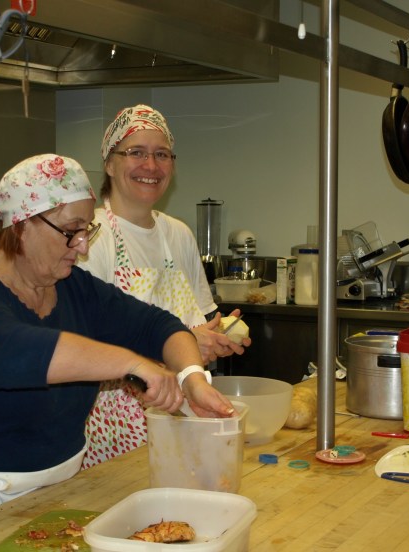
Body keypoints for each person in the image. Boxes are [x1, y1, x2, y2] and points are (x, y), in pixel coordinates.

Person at [0, 153, 235, 537]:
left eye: (87, 230)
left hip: (57, 491)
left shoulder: (73, 287)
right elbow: (17, 355)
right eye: (71, 231)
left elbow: (157, 326)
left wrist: (192, 378)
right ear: (22, 225)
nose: (82, 247)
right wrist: (132, 363)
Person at [77, 104, 251, 469]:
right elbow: (81, 344)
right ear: (109, 164)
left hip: (185, 409)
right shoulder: (92, 237)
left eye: (161, 154)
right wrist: (181, 345)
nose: (151, 166)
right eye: (136, 152)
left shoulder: (178, 234)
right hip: (116, 424)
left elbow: (198, 322)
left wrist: (215, 337)